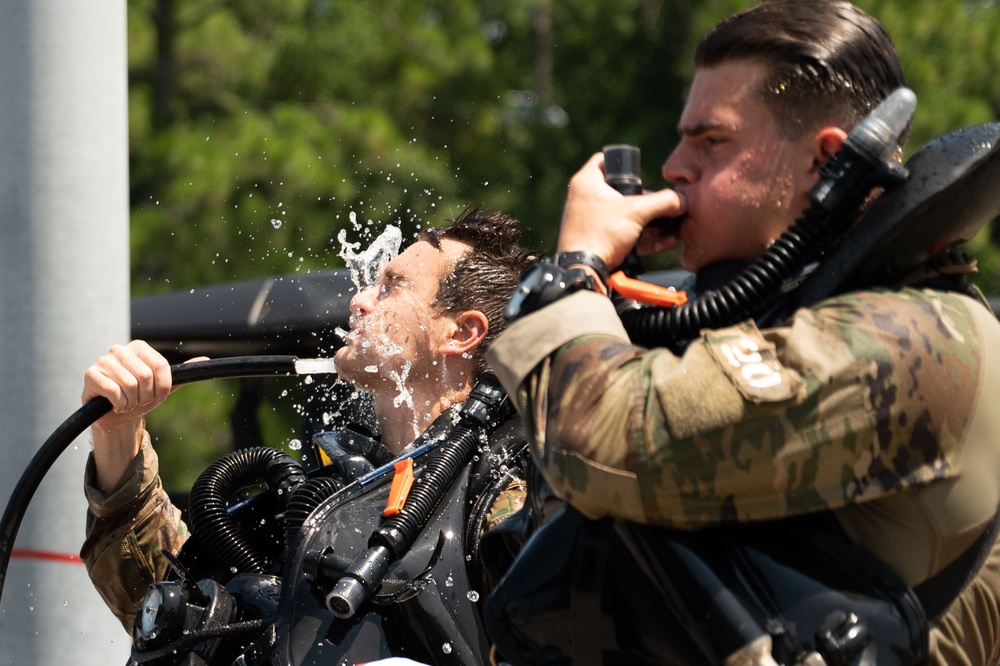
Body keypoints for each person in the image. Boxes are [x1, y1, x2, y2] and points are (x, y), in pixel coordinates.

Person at [486, 1, 1000, 664]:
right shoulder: (813, 315)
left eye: (711, 142)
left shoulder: (910, 335)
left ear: (825, 163)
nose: (674, 167)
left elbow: (606, 439)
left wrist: (575, 267)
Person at [80, 207, 537, 662]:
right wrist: (116, 433)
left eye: (391, 286)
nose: (359, 301)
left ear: (460, 332)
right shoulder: (332, 492)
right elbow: (163, 600)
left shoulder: (510, 501)